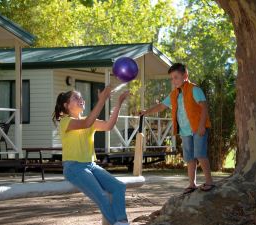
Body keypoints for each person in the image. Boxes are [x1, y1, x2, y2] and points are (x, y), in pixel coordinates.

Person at [52, 86, 130, 225]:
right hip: (74, 167)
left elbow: (108, 126)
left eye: (81, 97)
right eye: (75, 98)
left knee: (119, 187)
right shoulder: (65, 122)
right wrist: (102, 100)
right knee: (102, 196)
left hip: (91, 165)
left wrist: (118, 103)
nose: (80, 99)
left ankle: (122, 221)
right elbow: (86, 123)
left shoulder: (90, 121)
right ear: (66, 105)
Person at [140, 63, 215, 194]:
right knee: (189, 157)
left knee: (200, 154)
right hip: (185, 131)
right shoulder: (174, 94)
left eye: (176, 77)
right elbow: (162, 106)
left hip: (198, 128)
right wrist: (146, 112)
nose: (173, 81)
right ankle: (192, 184)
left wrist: (202, 125)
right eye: (172, 78)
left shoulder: (194, 89)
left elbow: (204, 107)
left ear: (185, 76)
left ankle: (209, 181)